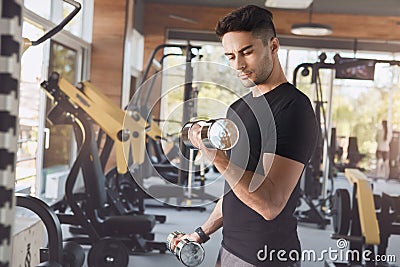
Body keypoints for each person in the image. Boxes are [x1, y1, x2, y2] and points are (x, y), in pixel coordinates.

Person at [170, 5, 318, 266]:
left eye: (246, 52)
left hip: (267, 256)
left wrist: (214, 154)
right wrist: (202, 233)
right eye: (229, 56)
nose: (237, 64)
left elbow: (270, 204)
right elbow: (235, 188)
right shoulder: (238, 108)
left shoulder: (293, 108)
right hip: (229, 249)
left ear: (273, 46)